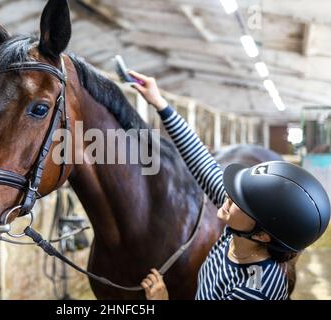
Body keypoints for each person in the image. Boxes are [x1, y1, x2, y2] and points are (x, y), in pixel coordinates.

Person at [129, 71, 331, 300]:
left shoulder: (254, 290)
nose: (228, 197)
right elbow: (202, 162)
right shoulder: (240, 232)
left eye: (239, 201)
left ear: (263, 236)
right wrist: (161, 104)